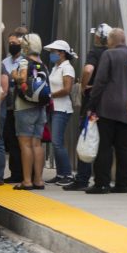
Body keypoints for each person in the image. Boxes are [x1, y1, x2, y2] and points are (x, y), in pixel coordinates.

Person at [64, 23, 112, 191]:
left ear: (98, 37)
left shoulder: (95, 52)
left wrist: (84, 87)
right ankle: (102, 179)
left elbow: (87, 69)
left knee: (86, 137)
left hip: (91, 104)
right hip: (107, 105)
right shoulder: (111, 53)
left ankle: (82, 178)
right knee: (104, 144)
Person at [87, 28, 127, 194]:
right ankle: (123, 184)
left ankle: (102, 183)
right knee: (125, 148)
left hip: (107, 107)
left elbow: (100, 81)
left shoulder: (109, 54)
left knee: (104, 147)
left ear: (111, 41)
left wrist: (92, 104)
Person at [11, 33, 48, 191]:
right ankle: (39, 180)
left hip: (25, 107)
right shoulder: (42, 63)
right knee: (37, 144)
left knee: (25, 144)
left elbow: (22, 78)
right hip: (40, 108)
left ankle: (27, 181)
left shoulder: (25, 61)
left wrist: (15, 75)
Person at [43, 39, 77, 186]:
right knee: (56, 142)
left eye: (54, 52)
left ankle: (67, 174)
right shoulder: (56, 68)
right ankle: (60, 173)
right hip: (54, 108)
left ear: (62, 53)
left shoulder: (67, 68)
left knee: (57, 142)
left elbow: (67, 89)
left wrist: (50, 95)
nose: (51, 54)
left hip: (62, 109)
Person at [0, 27, 28, 184]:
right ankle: (15, 172)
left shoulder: (25, 62)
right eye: (10, 43)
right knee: (11, 141)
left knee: (22, 140)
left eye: (14, 43)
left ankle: (25, 172)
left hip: (21, 106)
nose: (11, 45)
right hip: (9, 107)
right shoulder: (5, 62)